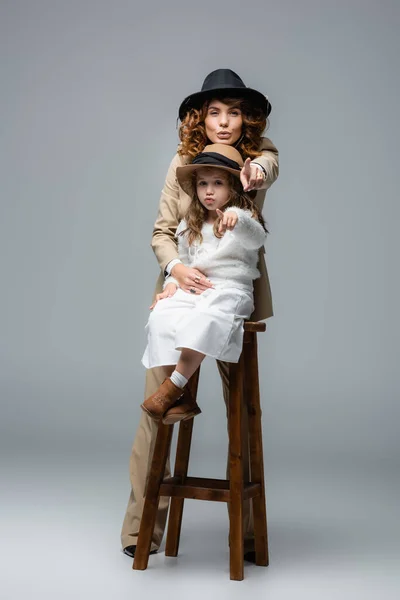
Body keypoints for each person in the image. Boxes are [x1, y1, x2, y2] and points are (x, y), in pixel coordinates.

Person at [121, 69, 279, 561]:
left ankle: (250, 535)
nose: (225, 121)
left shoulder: (260, 154)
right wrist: (175, 269)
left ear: (246, 118)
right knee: (157, 408)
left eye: (234, 111)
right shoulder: (181, 163)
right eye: (215, 112)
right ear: (200, 117)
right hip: (183, 286)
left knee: (243, 410)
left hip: (231, 290)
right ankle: (140, 532)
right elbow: (161, 231)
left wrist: (255, 172)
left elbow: (267, 168)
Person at [140, 143, 267, 425]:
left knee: (206, 317)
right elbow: (183, 260)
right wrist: (172, 283)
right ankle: (180, 398)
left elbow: (256, 238)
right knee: (162, 314)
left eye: (218, 183)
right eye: (203, 184)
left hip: (230, 289)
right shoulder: (190, 223)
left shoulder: (242, 218)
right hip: (196, 287)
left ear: (233, 186)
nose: (209, 191)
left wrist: (237, 221)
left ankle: (172, 387)